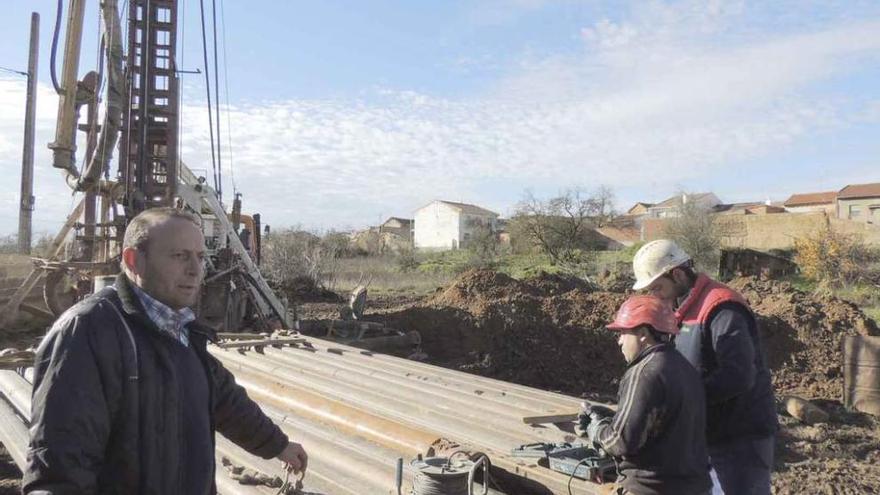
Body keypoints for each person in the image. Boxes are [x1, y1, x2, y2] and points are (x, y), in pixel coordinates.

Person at [23, 207, 308, 494]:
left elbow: (227, 402)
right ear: (134, 261)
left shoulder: (182, 329)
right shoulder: (89, 332)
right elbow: (62, 464)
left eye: (200, 257)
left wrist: (278, 445)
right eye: (179, 256)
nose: (195, 270)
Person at [631, 239, 777, 495]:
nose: (655, 295)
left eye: (657, 287)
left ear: (677, 274)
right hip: (707, 431)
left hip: (739, 436)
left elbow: (738, 376)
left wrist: (684, 401)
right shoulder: (682, 306)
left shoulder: (721, 307)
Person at [579, 295, 712, 495]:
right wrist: (613, 418)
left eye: (623, 332)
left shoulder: (644, 372)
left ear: (643, 334)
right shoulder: (685, 368)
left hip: (652, 488)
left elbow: (621, 441)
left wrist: (595, 429)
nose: (619, 341)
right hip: (696, 487)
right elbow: (664, 426)